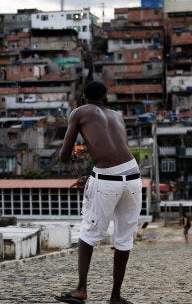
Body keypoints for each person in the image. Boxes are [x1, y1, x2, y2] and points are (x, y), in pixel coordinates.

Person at [55, 81, 142, 304]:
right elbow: (114, 151)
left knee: (88, 234)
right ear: (105, 97)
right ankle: (115, 297)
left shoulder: (79, 112)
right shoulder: (117, 115)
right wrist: (93, 177)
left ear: (84, 97)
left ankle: (81, 289)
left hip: (108, 179)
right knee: (124, 239)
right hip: (133, 177)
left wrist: (73, 156)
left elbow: (64, 156)